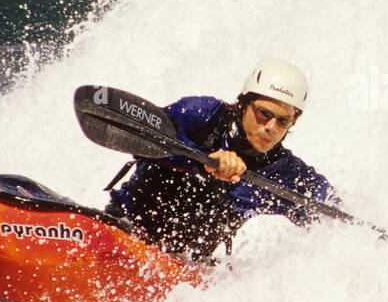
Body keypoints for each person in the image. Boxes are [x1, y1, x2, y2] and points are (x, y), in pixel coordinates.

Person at [105, 59, 336, 261]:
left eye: (283, 121)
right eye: (264, 114)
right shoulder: (204, 115)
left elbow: (332, 216)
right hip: (124, 229)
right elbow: (146, 135)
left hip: (183, 270)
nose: (270, 128)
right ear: (244, 104)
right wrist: (201, 162)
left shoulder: (285, 172)